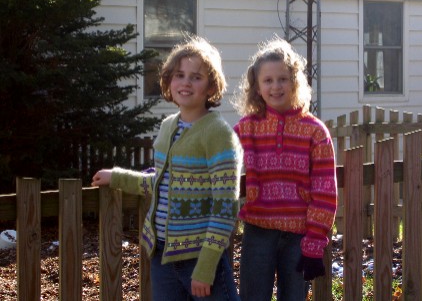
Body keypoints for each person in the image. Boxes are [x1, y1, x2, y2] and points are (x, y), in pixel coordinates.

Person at [91, 35, 243, 301]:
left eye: (196, 77)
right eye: (179, 75)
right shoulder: (167, 127)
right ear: (169, 81)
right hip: (162, 254)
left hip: (200, 256)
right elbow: (162, 183)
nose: (185, 82)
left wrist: (205, 268)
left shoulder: (218, 134)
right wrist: (117, 177)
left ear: (211, 87)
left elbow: (225, 208)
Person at [232, 37, 337, 301]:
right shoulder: (247, 128)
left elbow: (325, 191)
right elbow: (215, 159)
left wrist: (314, 241)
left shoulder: (315, 131)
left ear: (295, 81)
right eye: (268, 80)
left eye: (283, 79)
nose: (276, 86)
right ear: (257, 86)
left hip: (298, 238)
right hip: (257, 232)